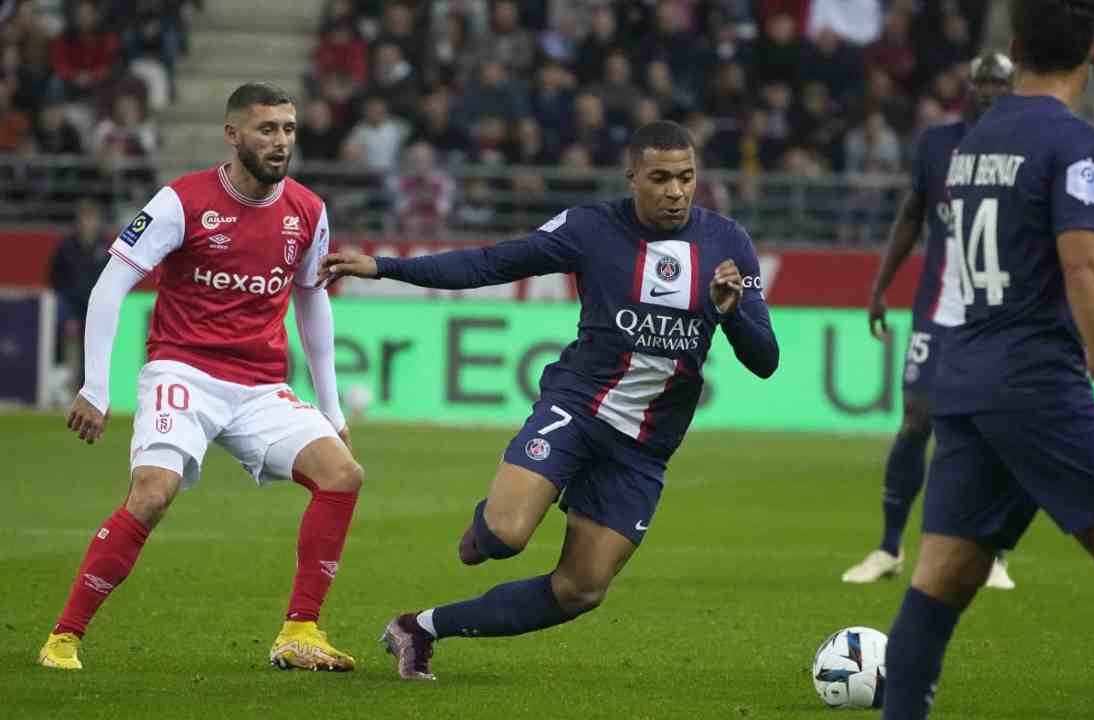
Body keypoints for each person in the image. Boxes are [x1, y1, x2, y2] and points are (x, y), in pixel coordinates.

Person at [321, 120, 780, 681]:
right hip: (579, 408)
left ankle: (420, 628)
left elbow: (765, 361)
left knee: (582, 589)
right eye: (660, 178)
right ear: (632, 176)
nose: (675, 191)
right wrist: (386, 266)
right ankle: (487, 525)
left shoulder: (728, 243)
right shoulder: (591, 228)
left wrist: (732, 313)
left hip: (644, 447)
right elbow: (492, 262)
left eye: (686, 178)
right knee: (505, 536)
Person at [881, 2, 1094, 718]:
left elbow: (1011, 268)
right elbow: (1084, 268)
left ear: (1014, 50)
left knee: (945, 572)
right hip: (1034, 385)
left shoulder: (977, 140)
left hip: (966, 372)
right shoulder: (1075, 143)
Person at [38, 82, 363, 674]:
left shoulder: (309, 212)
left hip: (260, 385)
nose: (280, 141)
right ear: (233, 134)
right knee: (153, 493)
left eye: (288, 129)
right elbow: (111, 284)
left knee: (343, 475)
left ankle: (300, 631)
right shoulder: (181, 201)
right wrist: (95, 385)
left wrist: (332, 410)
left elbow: (313, 303)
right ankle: (65, 635)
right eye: (267, 129)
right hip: (182, 370)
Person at [841, 52, 1016, 589]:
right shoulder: (937, 144)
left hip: (1001, 311)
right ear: (967, 86)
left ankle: (993, 553)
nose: (987, 89)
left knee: (1001, 427)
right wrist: (878, 286)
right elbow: (912, 216)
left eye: (998, 82)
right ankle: (890, 546)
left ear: (1012, 87)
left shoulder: (1024, 147)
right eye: (980, 80)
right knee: (917, 420)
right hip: (939, 308)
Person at [48, 197, 111, 391]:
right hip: (72, 305)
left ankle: (88, 389)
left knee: (92, 350)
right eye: (86, 218)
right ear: (79, 220)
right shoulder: (67, 247)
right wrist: (66, 313)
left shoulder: (105, 246)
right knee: (66, 346)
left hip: (96, 307)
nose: (89, 222)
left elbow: (111, 278)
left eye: (93, 218)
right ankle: (62, 387)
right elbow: (56, 280)